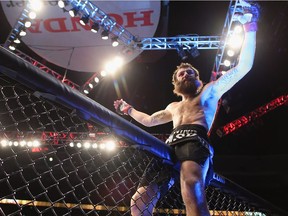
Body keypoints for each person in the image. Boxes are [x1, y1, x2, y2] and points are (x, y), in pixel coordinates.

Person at [114, 2, 259, 215]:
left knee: (191, 187)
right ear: (175, 84)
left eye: (190, 72)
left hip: (195, 141)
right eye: (182, 73)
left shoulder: (210, 91)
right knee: (139, 202)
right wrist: (128, 110)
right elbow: (150, 121)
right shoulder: (173, 106)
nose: (186, 74)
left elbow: (244, 66)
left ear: (197, 79)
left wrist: (251, 27)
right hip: (167, 148)